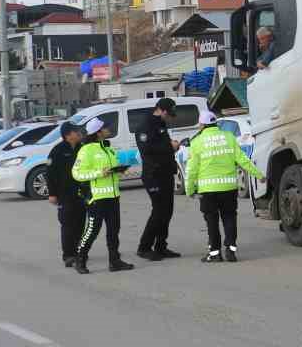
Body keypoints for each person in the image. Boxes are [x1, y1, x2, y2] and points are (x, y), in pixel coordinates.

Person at [185, 110, 264, 264]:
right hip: (228, 188)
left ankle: (215, 254)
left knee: (212, 221)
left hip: (207, 191)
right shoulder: (229, 137)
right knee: (229, 218)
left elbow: (191, 169)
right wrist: (259, 175)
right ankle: (231, 251)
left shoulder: (196, 143)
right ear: (215, 123)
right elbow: (243, 160)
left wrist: (189, 190)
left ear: (201, 125)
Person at [71, 117, 133, 274]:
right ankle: (80, 260)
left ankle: (115, 261)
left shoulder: (108, 148)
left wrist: (119, 171)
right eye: (106, 128)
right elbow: (77, 173)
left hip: (113, 196)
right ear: (98, 132)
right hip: (96, 199)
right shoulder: (86, 150)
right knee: (92, 231)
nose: (108, 130)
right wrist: (99, 173)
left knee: (114, 231)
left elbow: (110, 171)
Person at [135, 98, 182, 260]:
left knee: (167, 211)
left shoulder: (160, 124)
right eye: (168, 114)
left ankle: (161, 246)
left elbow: (161, 144)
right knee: (158, 211)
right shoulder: (146, 125)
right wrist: (170, 146)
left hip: (166, 172)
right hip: (153, 175)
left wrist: (171, 145)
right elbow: (147, 149)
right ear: (160, 110)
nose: (169, 117)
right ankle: (144, 247)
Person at [46, 122, 87, 268]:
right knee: (68, 224)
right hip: (64, 194)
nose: (80, 134)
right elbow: (49, 174)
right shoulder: (57, 151)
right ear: (68, 135)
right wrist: (52, 194)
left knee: (80, 223)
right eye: (77, 131)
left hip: (81, 193)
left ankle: (78, 251)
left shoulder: (82, 148)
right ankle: (68, 255)